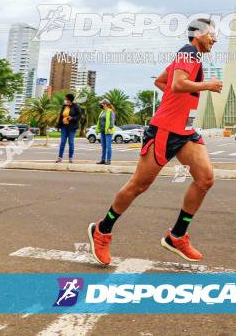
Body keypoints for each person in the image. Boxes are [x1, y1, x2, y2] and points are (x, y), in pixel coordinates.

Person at [87, 18, 222, 265]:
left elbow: (161, 82)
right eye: (212, 34)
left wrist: (176, 101)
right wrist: (208, 85)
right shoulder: (188, 53)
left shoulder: (191, 58)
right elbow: (178, 84)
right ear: (198, 34)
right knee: (139, 185)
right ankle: (102, 230)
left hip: (185, 131)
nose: (215, 39)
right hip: (165, 131)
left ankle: (177, 236)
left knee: (205, 179)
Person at [56, 93, 82, 163]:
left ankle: (70, 158)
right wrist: (58, 125)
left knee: (71, 142)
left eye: (66, 99)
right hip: (64, 126)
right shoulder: (64, 106)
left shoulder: (76, 106)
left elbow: (79, 116)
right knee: (62, 142)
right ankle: (60, 157)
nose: (65, 100)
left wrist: (72, 118)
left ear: (69, 100)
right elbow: (61, 116)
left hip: (72, 127)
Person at [96, 99, 115, 165]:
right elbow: (99, 121)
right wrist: (97, 129)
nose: (101, 104)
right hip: (102, 131)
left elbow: (112, 121)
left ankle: (108, 160)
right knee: (103, 146)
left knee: (108, 146)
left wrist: (110, 128)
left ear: (105, 104)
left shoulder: (110, 111)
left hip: (108, 131)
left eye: (102, 103)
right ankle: (103, 160)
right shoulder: (102, 112)